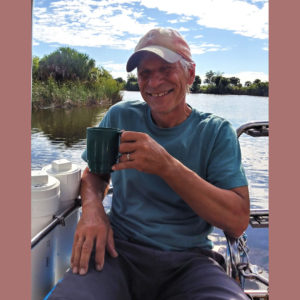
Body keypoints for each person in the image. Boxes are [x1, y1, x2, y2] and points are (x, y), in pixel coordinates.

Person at [48, 28, 250, 300]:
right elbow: (94, 174)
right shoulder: (120, 116)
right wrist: (93, 209)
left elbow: (236, 222)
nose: (154, 82)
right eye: (145, 73)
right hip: (118, 251)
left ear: (190, 73)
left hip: (190, 261)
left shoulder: (216, 132)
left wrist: (165, 164)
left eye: (166, 69)